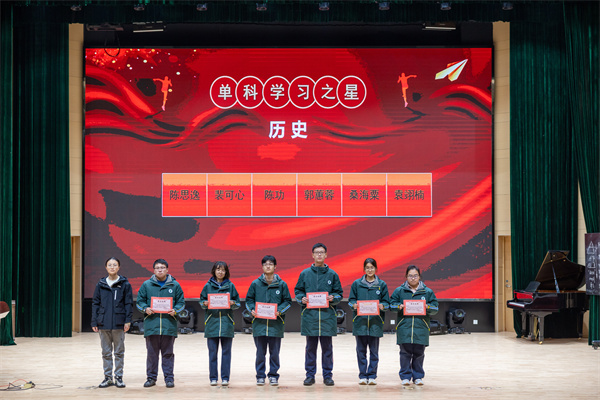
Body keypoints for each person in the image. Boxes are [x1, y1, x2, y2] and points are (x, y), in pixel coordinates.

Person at [294, 243, 343, 386]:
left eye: (322, 252)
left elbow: (339, 293)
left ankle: (327, 376)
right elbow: (298, 291)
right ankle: (310, 376)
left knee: (327, 349)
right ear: (312, 255)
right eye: (317, 252)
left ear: (326, 255)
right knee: (310, 349)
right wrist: (301, 298)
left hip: (327, 317)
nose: (319, 255)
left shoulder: (332, 274)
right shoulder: (305, 274)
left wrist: (334, 298)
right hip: (310, 317)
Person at [136, 259, 185, 389]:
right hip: (152, 326)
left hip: (168, 325)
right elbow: (139, 302)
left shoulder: (175, 285)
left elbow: (181, 303)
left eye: (162, 267)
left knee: (168, 354)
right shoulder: (146, 285)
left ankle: (169, 379)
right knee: (152, 354)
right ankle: (151, 378)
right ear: (153, 270)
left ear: (167, 270)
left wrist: (175, 310)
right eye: (157, 268)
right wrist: (145, 308)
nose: (160, 270)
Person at [245, 255, 292, 386]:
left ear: (275, 266)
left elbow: (287, 302)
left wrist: (280, 311)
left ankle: (273, 375)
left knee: (274, 353)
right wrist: (252, 310)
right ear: (262, 267)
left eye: (271, 264)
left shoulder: (282, 284)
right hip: (259, 325)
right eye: (265, 264)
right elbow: (249, 300)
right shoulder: (255, 284)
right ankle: (260, 376)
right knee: (260, 353)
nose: (268, 266)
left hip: (275, 325)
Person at [390, 265, 439, 386]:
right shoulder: (399, 291)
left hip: (421, 328)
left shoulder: (427, 292)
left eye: (415, 275)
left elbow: (435, 308)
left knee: (419, 354)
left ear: (419, 276)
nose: (413, 278)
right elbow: (391, 305)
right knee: (404, 353)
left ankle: (418, 377)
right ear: (406, 277)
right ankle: (405, 377)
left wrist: (427, 307)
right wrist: (398, 306)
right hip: (404, 327)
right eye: (410, 276)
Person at [91, 257, 133, 388]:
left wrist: (127, 321)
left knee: (119, 352)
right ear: (106, 267)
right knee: (106, 352)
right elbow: (95, 303)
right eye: (110, 265)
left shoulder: (125, 284)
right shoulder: (101, 284)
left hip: (119, 323)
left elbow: (128, 304)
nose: (112, 267)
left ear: (119, 267)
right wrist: (94, 322)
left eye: (115, 265)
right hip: (103, 323)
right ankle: (108, 378)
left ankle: (119, 377)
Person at [347, 258, 390, 386]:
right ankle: (362, 375)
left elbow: (387, 302)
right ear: (364, 269)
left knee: (374, 352)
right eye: (367, 268)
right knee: (361, 352)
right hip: (360, 323)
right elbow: (351, 301)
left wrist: (383, 305)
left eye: (372, 267)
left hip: (375, 323)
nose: (369, 270)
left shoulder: (381, 285)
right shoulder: (356, 284)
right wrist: (354, 305)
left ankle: (372, 376)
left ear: (376, 269)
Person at [200, 261, 241, 386]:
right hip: (212, 323)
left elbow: (238, 303)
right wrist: (205, 304)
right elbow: (201, 301)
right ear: (214, 271)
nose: (220, 272)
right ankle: (213, 378)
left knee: (226, 353)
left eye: (223, 270)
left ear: (226, 272)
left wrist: (233, 303)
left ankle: (225, 378)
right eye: (218, 269)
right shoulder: (207, 286)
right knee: (212, 354)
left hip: (226, 323)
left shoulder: (231, 286)